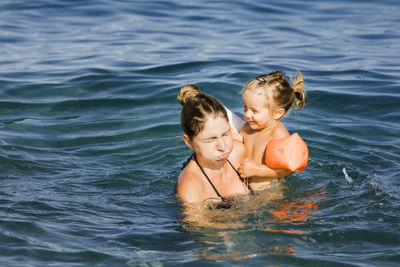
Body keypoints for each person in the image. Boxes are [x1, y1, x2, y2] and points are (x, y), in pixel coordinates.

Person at [176, 86, 253, 207]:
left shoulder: (238, 152)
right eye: (211, 140)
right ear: (188, 142)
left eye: (225, 134)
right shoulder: (191, 187)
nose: (223, 146)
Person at [238, 70, 307, 191]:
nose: (247, 114)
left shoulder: (277, 132)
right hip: (244, 188)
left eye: (254, 111)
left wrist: (257, 170)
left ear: (277, 113)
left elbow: (287, 169)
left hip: (269, 192)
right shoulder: (246, 128)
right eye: (245, 107)